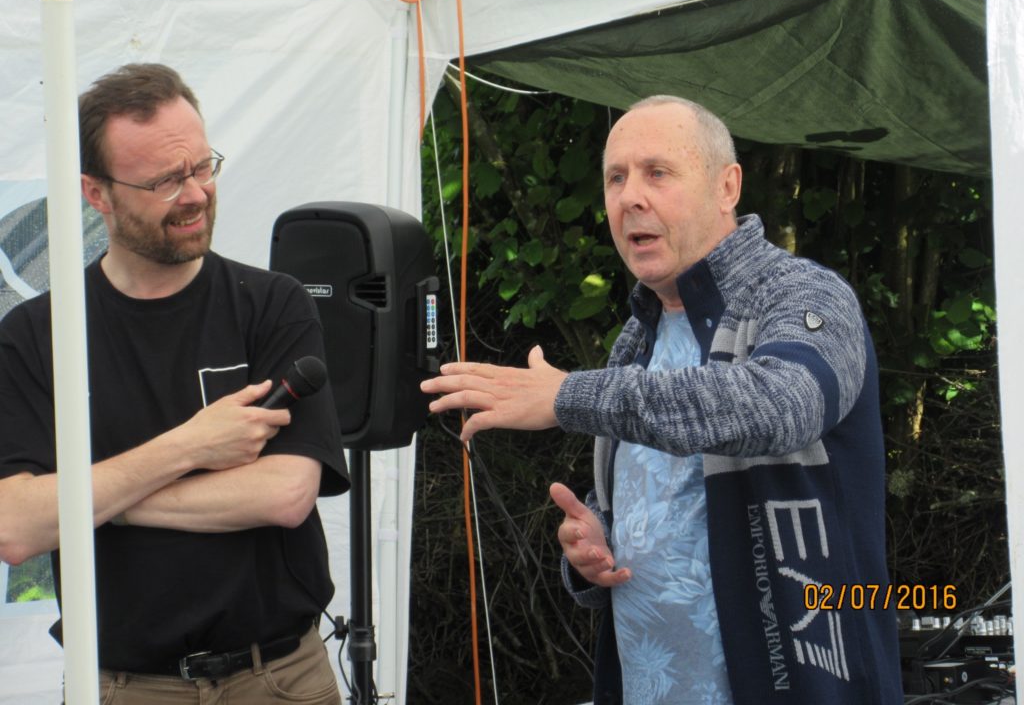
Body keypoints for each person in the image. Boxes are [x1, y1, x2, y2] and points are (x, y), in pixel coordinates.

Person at [421, 95, 902, 704]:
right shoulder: (637, 336)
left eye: (657, 173)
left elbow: (780, 403)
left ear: (727, 186)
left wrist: (568, 394)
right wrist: (594, 543)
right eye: (615, 178)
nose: (630, 197)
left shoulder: (802, 293)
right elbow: (662, 502)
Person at [0, 63, 349, 704]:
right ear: (97, 193)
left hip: (280, 676)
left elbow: (285, 493)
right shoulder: (36, 335)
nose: (194, 194)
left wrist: (91, 504)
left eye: (202, 167)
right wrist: (191, 446)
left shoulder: (272, 304)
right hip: (125, 686)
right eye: (164, 180)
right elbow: (16, 526)